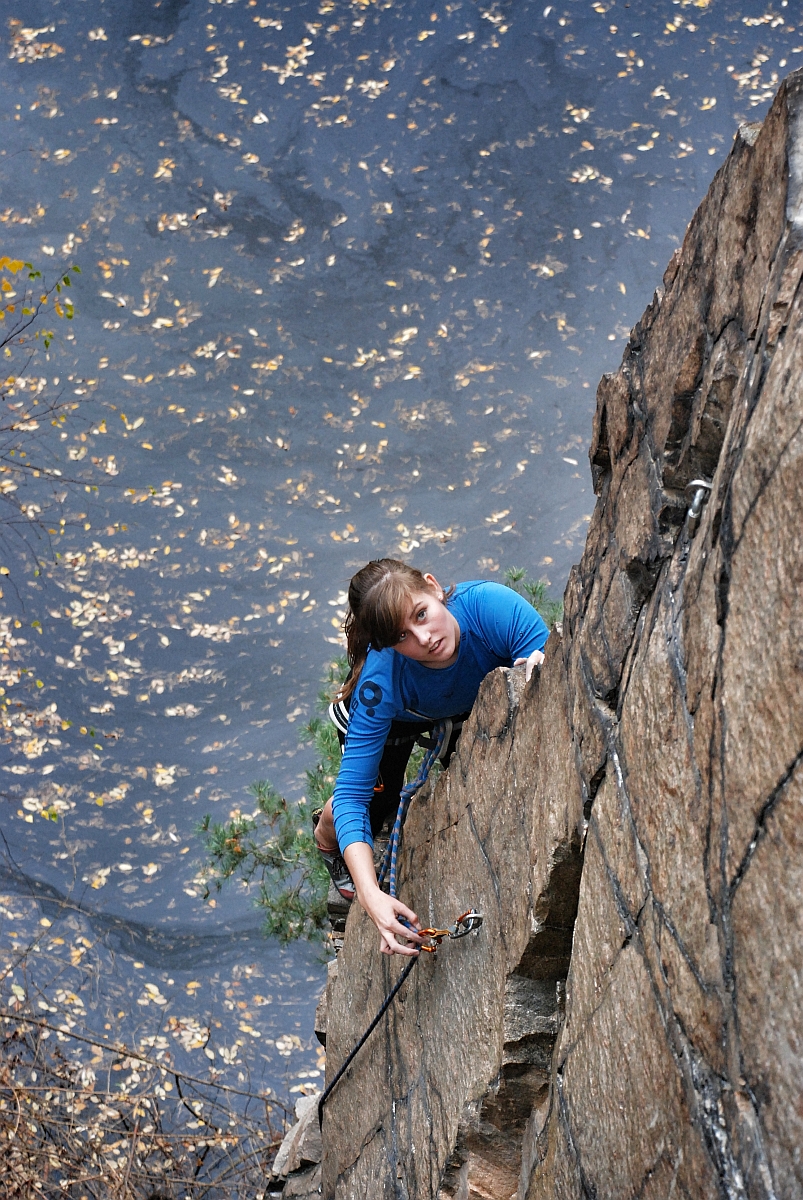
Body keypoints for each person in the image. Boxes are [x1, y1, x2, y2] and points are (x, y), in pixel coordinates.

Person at [313, 559, 549, 957]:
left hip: (465, 701)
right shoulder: (380, 682)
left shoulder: (491, 608)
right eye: (402, 636)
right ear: (387, 646)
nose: (424, 638)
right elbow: (354, 795)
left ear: (434, 587)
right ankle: (324, 835)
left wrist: (541, 666)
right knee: (373, 808)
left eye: (422, 614)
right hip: (396, 718)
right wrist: (371, 896)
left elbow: (548, 657)